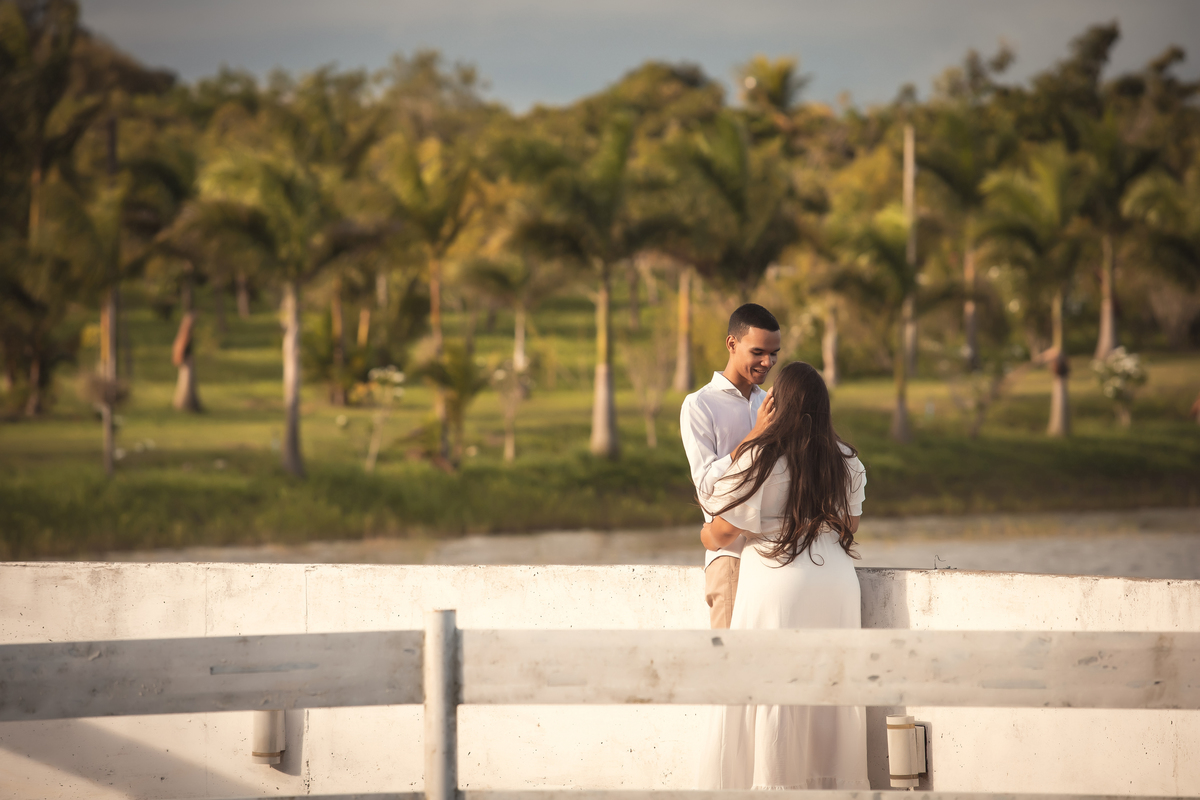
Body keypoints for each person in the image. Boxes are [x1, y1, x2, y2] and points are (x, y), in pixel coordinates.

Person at [696, 360, 869, 790]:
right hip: (836, 582)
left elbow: (718, 534)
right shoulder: (845, 459)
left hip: (778, 580)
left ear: (777, 404)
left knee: (772, 686)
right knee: (833, 688)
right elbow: (850, 524)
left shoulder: (762, 456)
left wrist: (705, 530)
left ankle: (774, 784)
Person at [680, 303, 781, 629]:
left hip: (777, 559)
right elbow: (707, 486)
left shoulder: (770, 402)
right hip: (731, 556)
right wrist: (755, 436)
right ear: (731, 344)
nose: (768, 362)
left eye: (774, 353)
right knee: (728, 663)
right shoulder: (700, 405)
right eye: (758, 352)